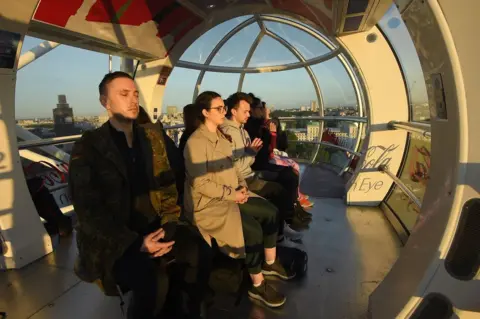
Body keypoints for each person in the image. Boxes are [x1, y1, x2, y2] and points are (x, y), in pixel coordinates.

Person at [69, 71, 211, 319]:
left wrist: (169, 223)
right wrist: (136, 243)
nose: (133, 100)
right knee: (152, 280)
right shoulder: (89, 146)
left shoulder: (151, 137)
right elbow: (88, 210)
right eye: (124, 94)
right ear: (105, 102)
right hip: (116, 238)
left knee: (199, 251)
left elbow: (167, 187)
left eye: (135, 94)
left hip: (156, 226)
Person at [183, 91, 294, 308]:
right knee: (252, 230)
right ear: (205, 112)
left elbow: (233, 168)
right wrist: (233, 194)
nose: (223, 112)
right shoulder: (195, 143)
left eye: (223, 108)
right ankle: (257, 284)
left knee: (270, 212)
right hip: (209, 204)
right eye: (219, 109)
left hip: (232, 193)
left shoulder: (223, 137)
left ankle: (270, 263)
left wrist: (241, 188)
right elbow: (200, 184)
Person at [221, 92, 303, 242]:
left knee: (285, 180)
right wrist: (251, 153)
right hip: (245, 179)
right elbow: (235, 166)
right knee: (279, 189)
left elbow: (247, 161)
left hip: (249, 173)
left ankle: (283, 225)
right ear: (233, 111)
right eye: (245, 111)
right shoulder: (229, 133)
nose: (248, 114)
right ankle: (280, 231)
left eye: (249, 111)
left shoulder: (243, 131)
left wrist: (250, 154)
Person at [244, 93, 312, 224]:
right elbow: (265, 151)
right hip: (258, 167)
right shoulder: (254, 128)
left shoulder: (258, 126)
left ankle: (292, 211)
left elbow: (270, 148)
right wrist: (269, 134)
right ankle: (289, 215)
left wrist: (270, 132)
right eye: (260, 108)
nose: (263, 111)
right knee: (288, 176)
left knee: (290, 174)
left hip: (260, 163)